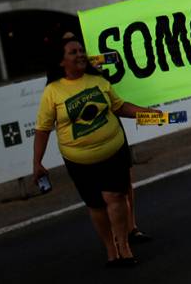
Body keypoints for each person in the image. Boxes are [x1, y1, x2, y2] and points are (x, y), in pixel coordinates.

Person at [33, 35, 162, 268]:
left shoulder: (98, 81)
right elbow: (43, 129)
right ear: (62, 61)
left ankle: (123, 245)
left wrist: (150, 114)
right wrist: (37, 163)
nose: (80, 54)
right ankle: (111, 249)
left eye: (81, 50)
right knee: (96, 205)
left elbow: (119, 107)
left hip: (113, 153)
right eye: (73, 52)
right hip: (79, 162)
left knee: (116, 196)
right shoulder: (52, 92)